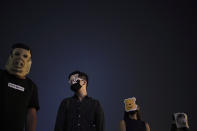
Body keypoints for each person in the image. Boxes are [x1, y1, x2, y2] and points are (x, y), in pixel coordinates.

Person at [1, 43, 40, 131]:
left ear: (29, 61)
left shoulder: (31, 86)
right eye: (17, 54)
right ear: (11, 56)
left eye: (25, 56)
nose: (20, 59)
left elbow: (31, 115)